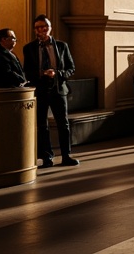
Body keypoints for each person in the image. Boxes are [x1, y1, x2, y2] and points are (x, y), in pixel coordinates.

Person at [23, 15, 80, 167]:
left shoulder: (62, 46)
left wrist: (58, 74)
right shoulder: (29, 48)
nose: (42, 29)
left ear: (50, 27)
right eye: (38, 27)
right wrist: (41, 74)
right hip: (40, 90)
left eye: (45, 26)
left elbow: (71, 68)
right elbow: (27, 72)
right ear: (35, 30)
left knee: (63, 124)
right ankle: (47, 157)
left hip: (58, 89)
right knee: (42, 125)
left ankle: (66, 155)